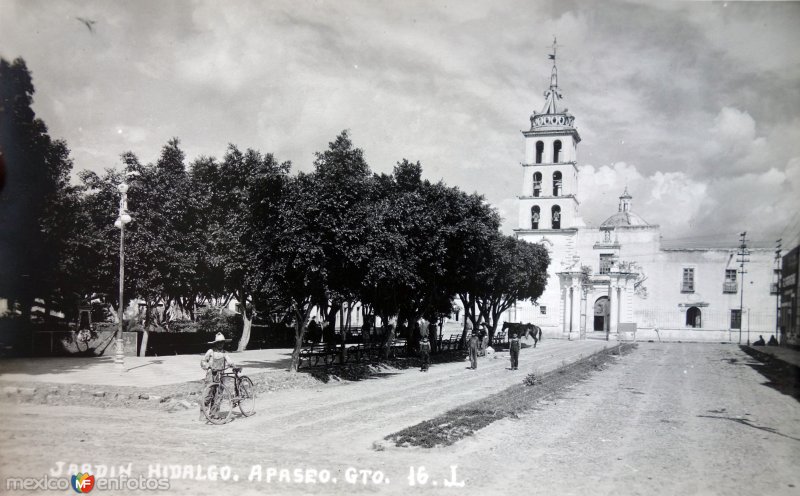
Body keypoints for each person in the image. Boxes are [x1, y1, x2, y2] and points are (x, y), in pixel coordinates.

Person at [201, 333, 235, 415]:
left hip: (220, 376)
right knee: (208, 394)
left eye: (222, 342)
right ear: (215, 343)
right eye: (219, 342)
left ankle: (214, 414)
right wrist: (209, 366)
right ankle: (203, 413)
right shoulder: (211, 351)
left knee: (218, 395)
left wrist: (233, 365)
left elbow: (230, 361)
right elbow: (203, 362)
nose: (220, 344)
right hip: (211, 375)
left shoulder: (224, 353)